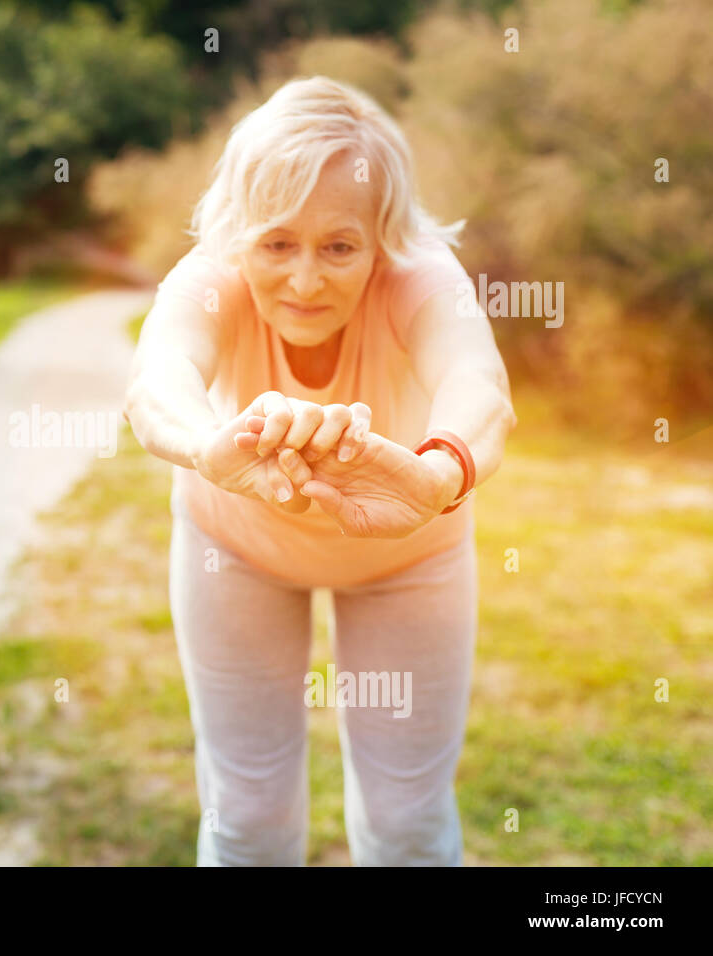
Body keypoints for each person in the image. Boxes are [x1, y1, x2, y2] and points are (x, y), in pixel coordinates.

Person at [124, 76, 518, 865]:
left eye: (340, 246)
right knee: (247, 815)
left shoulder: (423, 278)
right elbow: (156, 380)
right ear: (240, 235)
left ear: (383, 238)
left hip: (410, 555)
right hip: (233, 550)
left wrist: (439, 475)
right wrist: (209, 450)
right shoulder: (210, 277)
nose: (305, 281)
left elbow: (481, 386)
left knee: (407, 820)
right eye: (276, 243)